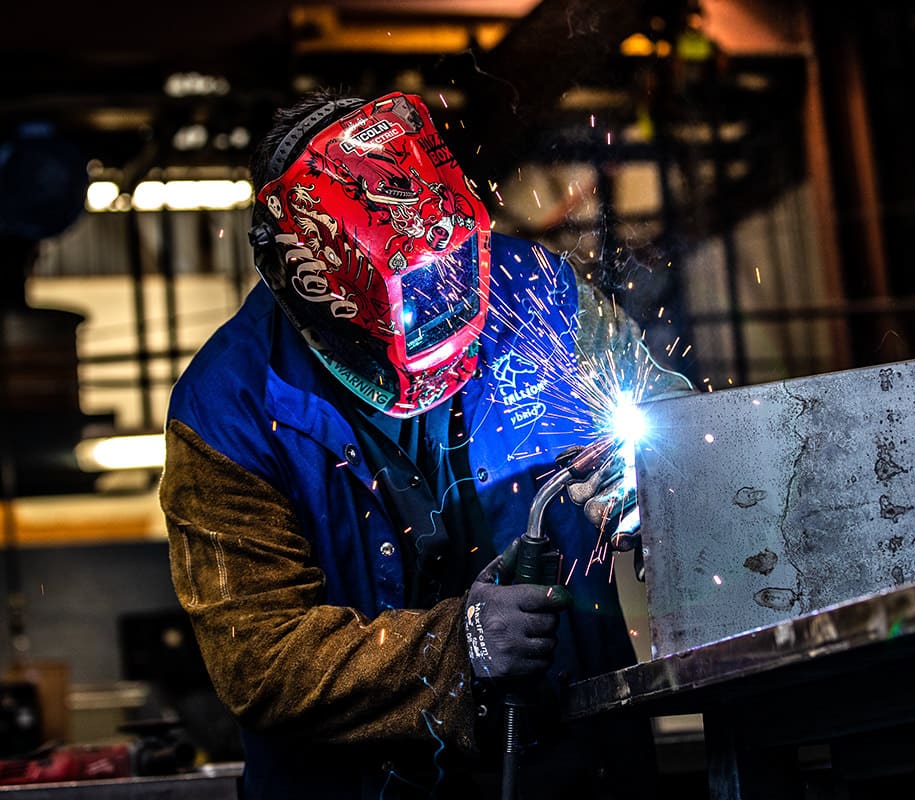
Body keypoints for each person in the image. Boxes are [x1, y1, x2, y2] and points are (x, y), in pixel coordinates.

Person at [159, 89, 691, 799]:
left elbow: (671, 424)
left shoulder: (531, 288)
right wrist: (456, 648)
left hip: (575, 763)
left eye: (450, 261)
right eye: (411, 286)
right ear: (323, 281)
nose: (442, 297)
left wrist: (657, 482)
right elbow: (260, 660)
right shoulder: (226, 412)